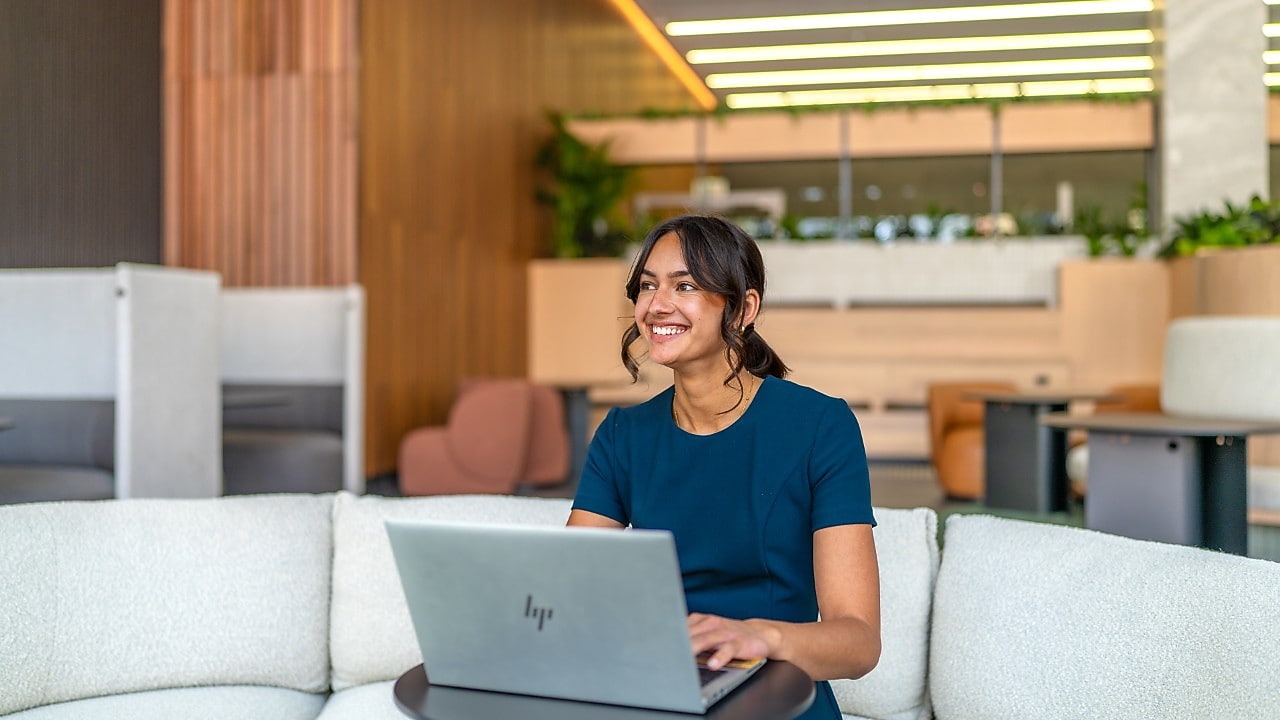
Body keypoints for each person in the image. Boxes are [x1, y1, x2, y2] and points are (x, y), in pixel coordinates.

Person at [568, 214, 880, 720]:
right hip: (665, 696)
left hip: (779, 700)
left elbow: (860, 642)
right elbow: (567, 587)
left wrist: (758, 635)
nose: (657, 304)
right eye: (647, 286)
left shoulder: (820, 425)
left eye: (685, 285)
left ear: (743, 309)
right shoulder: (623, 436)